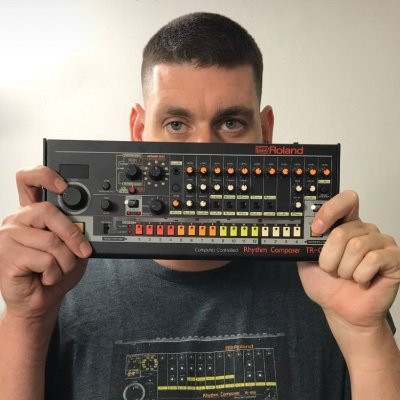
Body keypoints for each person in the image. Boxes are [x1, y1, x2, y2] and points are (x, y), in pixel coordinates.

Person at [0, 12, 399, 400]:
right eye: (176, 124)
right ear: (139, 131)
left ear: (266, 131)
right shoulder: (63, 277)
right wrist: (27, 316)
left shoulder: (330, 280)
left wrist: (364, 332)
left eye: (231, 123)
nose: (202, 151)